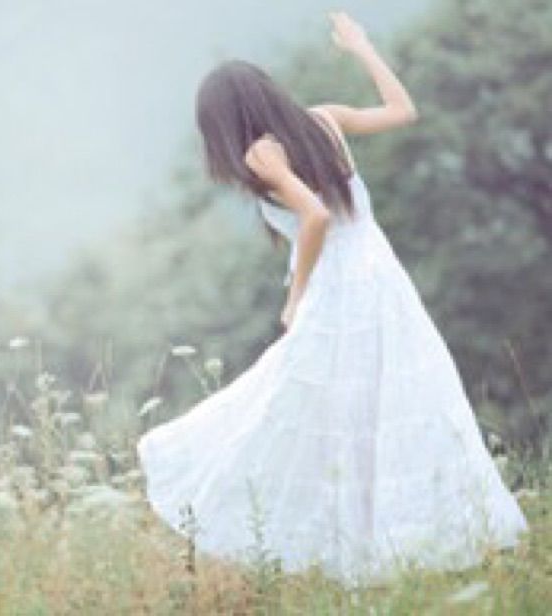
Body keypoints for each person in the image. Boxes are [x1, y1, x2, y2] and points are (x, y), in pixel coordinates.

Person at [136, 11, 528, 588]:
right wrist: (362, 47)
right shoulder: (323, 121)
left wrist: (296, 297)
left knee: (293, 401)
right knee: (382, 401)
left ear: (225, 120)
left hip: (339, 284)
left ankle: (264, 521)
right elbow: (403, 110)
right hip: (381, 275)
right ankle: (385, 545)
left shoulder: (261, 155)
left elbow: (316, 217)